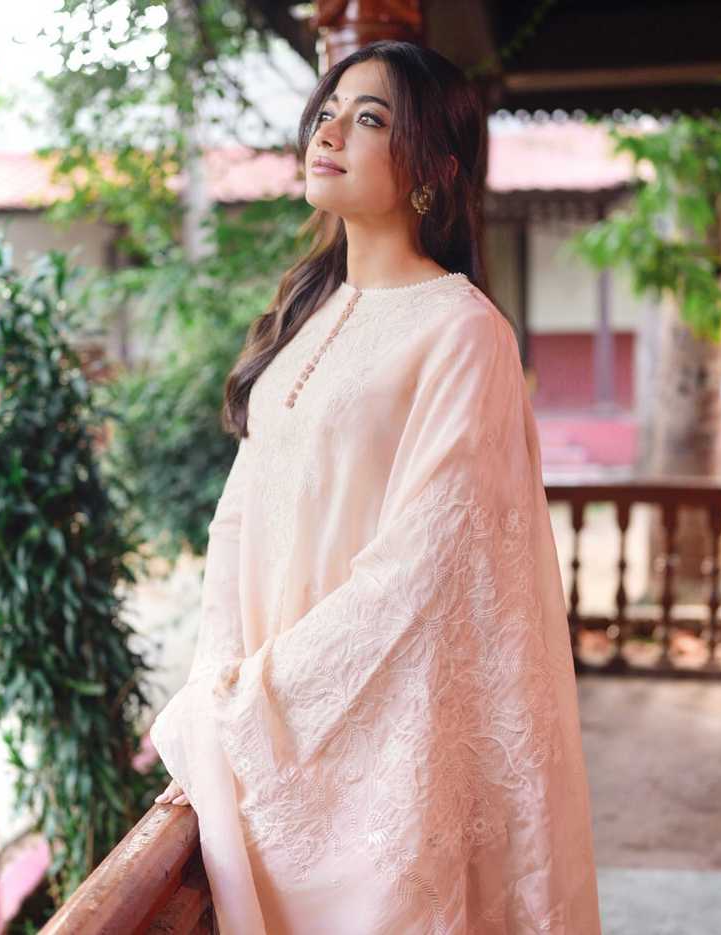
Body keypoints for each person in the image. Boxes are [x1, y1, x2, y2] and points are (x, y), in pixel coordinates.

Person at [150, 39, 602, 934]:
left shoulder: (461, 331)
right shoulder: (304, 320)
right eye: (326, 113)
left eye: (369, 119)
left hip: (378, 756)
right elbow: (236, 521)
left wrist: (258, 705)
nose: (328, 133)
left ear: (433, 166)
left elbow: (422, 567)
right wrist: (217, 687)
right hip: (271, 746)